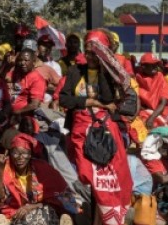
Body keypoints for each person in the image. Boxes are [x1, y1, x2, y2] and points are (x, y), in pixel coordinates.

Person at [58, 30, 132, 225]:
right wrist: (91, 101)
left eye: (94, 53)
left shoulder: (108, 74)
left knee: (113, 179)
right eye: (88, 51)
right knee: (87, 175)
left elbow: (108, 98)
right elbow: (64, 98)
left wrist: (102, 69)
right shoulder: (75, 71)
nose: (89, 56)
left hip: (105, 130)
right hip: (81, 130)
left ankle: (106, 219)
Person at [0, 134, 73, 225]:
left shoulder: (42, 168)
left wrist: (31, 207)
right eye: (16, 153)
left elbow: (56, 199)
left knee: (46, 213)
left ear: (30, 155)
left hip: (40, 210)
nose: (20, 158)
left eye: (25, 153)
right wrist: (0, 170)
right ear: (10, 153)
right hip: (15, 213)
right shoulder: (5, 168)